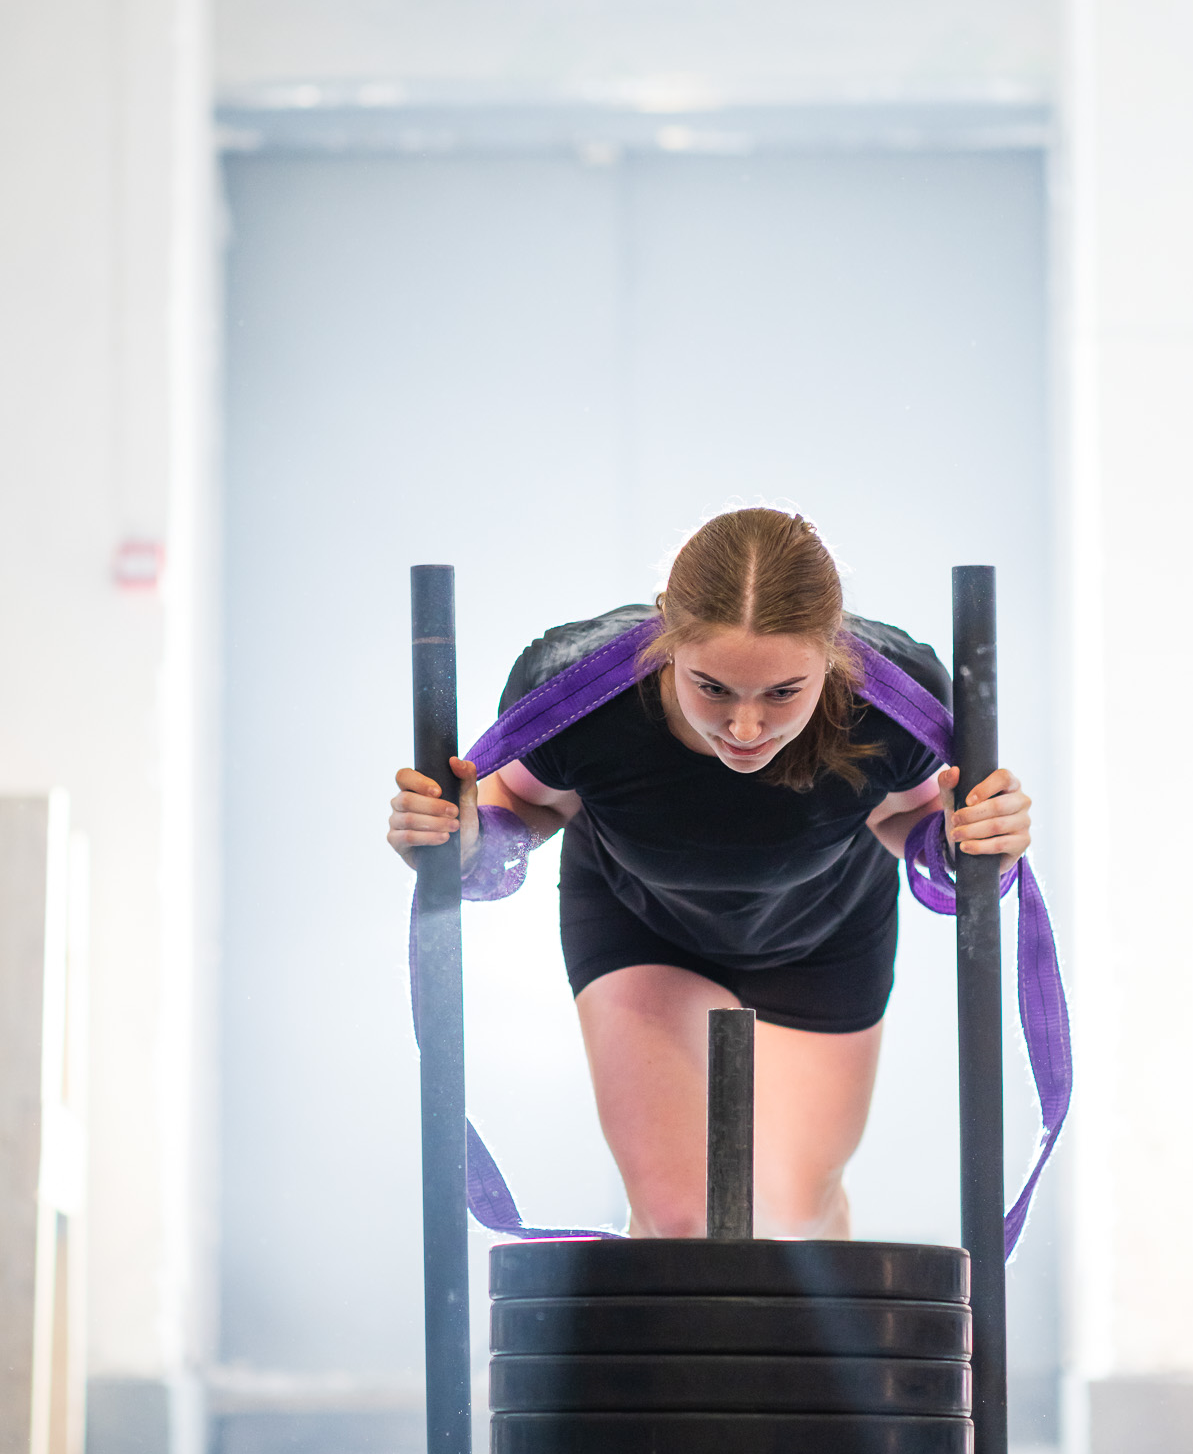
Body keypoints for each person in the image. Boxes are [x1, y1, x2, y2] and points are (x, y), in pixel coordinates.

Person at [387, 508, 1031, 1241]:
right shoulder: (576, 693)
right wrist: (463, 845)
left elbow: (907, 817)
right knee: (679, 1219)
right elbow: (528, 806)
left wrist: (970, 843)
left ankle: (811, 1302)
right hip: (642, 925)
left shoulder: (895, 701)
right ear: (666, 635)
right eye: (713, 688)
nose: (745, 729)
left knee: (792, 1220)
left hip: (825, 935)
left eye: (783, 693)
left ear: (833, 651)